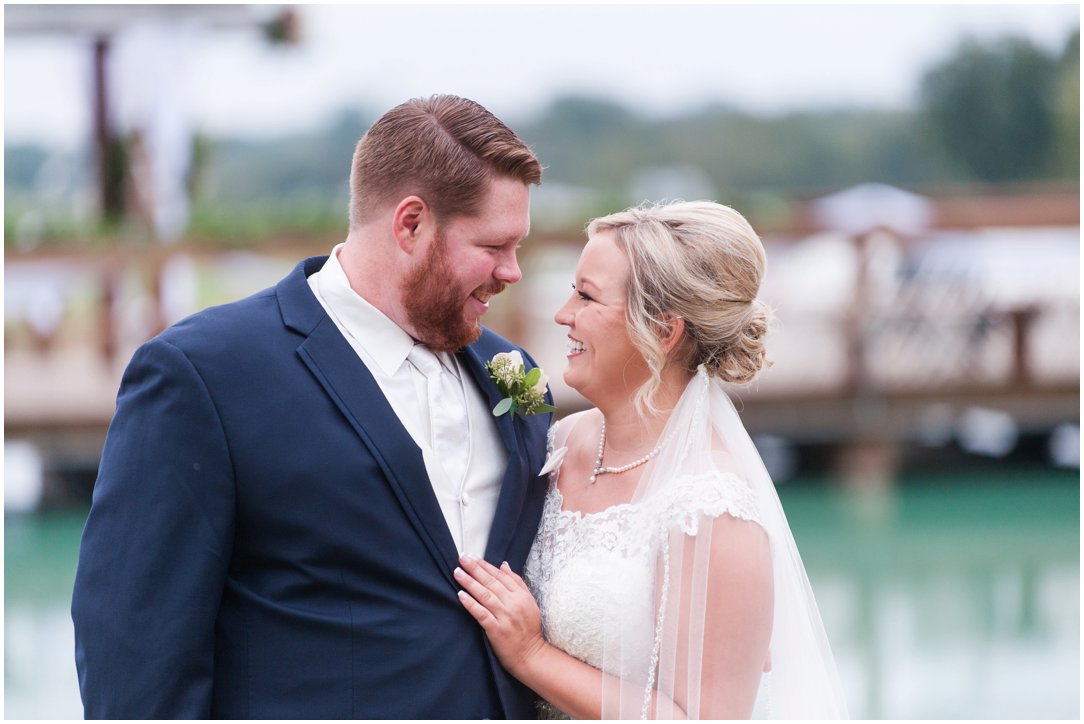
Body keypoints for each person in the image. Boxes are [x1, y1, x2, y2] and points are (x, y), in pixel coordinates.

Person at [71, 95, 553, 718]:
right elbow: (133, 647)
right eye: (494, 245)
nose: (513, 272)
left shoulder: (511, 375)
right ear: (410, 224)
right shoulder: (205, 373)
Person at [455, 200, 849, 719]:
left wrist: (532, 655)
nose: (562, 313)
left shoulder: (712, 508)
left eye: (586, 296)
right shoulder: (557, 443)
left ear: (663, 331)